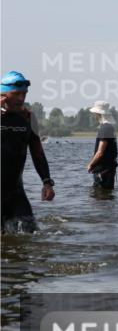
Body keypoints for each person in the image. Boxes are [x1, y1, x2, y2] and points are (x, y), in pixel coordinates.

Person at [0, 71, 55, 233]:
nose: (21, 98)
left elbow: (38, 153)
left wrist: (47, 182)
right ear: (3, 93)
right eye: (15, 94)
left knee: (31, 233)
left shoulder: (28, 117)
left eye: (24, 94)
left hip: (16, 192)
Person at [86, 100, 118, 190]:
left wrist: (90, 164)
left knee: (99, 197)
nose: (94, 115)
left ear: (98, 113)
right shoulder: (109, 127)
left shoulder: (105, 128)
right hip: (109, 169)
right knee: (107, 197)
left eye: (95, 113)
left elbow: (100, 152)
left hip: (103, 170)